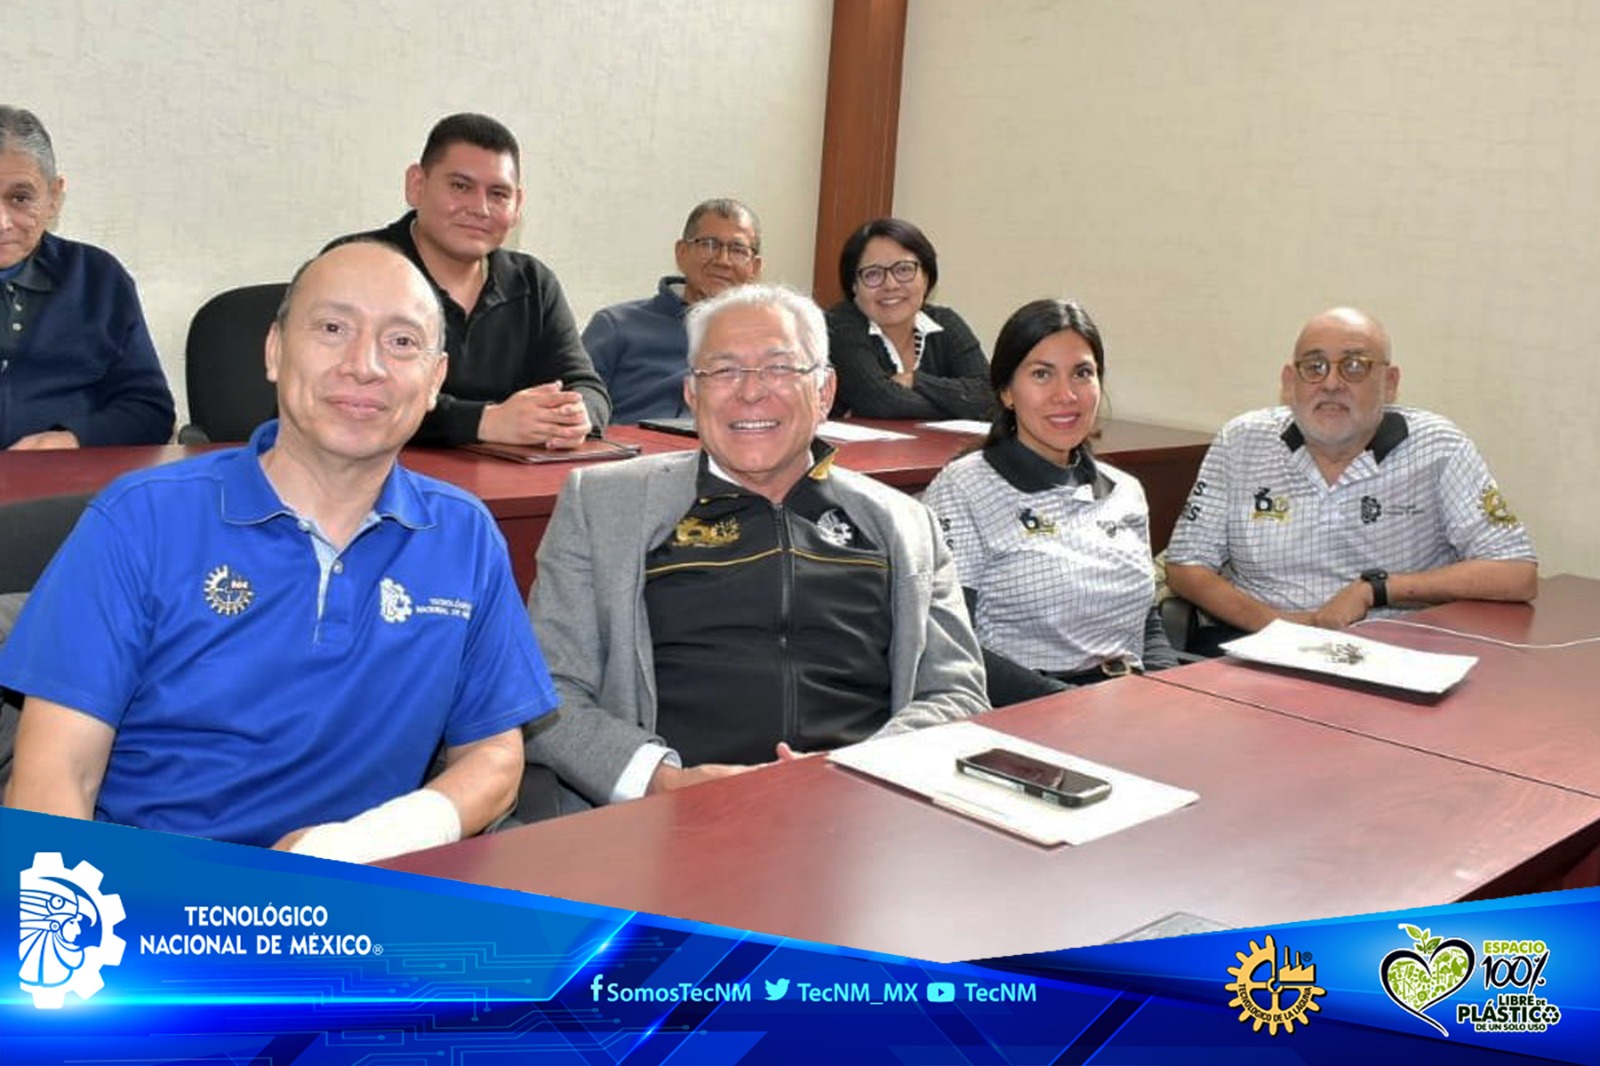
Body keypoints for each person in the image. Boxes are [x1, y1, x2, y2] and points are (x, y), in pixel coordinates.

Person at [0, 241, 560, 862]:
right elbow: (54, 782)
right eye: (332, 329)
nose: (364, 365)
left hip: (357, 889)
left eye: (402, 342)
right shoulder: (140, 519)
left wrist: (366, 841)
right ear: (274, 351)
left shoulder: (464, 535)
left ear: (435, 380)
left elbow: (494, 755)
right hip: (149, 894)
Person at [526, 283, 988, 806]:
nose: (750, 392)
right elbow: (546, 690)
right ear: (691, 393)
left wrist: (857, 773)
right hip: (670, 816)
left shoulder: (905, 523)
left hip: (864, 808)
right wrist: (662, 781)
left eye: (779, 368)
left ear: (825, 391)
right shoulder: (604, 505)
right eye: (723, 371)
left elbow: (956, 691)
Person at [1165, 306, 1537, 650]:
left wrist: (1378, 589)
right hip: (1258, 645)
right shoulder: (1242, 441)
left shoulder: (1438, 447)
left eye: (1354, 366)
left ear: (1389, 382)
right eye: (1314, 367)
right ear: (1289, 382)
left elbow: (1516, 573)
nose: (1331, 383)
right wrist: (1279, 625)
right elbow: (1185, 567)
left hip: (1391, 651)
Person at [923, 299, 1177, 704]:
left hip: (1125, 703)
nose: (1066, 394)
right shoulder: (965, 488)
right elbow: (950, 644)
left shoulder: (1125, 491)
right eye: (1042, 374)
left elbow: (1145, 623)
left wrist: (1170, 692)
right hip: (1024, 706)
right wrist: (1069, 705)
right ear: (1007, 391)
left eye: (1082, 373)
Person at [330, 113, 608, 447]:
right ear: (417, 185)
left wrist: (573, 415)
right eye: (460, 187)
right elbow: (344, 391)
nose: (480, 209)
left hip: (506, 475)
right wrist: (482, 421)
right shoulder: (355, 265)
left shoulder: (532, 282)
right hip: (374, 469)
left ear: (517, 206)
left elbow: (586, 386)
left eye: (498, 194)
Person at [0, 106, 174, 449]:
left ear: (54, 197)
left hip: (64, 477)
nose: (2, 223)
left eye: (20, 198)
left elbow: (149, 410)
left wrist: (73, 439)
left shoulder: (97, 278)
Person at [584, 198, 762, 424]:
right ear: (682, 252)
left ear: (755, 267)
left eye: (737, 250)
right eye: (709, 244)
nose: (723, 260)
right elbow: (575, 406)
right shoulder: (616, 326)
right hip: (633, 442)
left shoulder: (768, 340)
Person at [825, 217, 992, 421]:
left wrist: (915, 381)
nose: (891, 285)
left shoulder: (946, 323)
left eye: (904, 269)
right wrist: (959, 406)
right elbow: (884, 403)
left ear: (926, 277)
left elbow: (990, 397)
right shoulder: (838, 325)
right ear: (854, 285)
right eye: (873, 274)